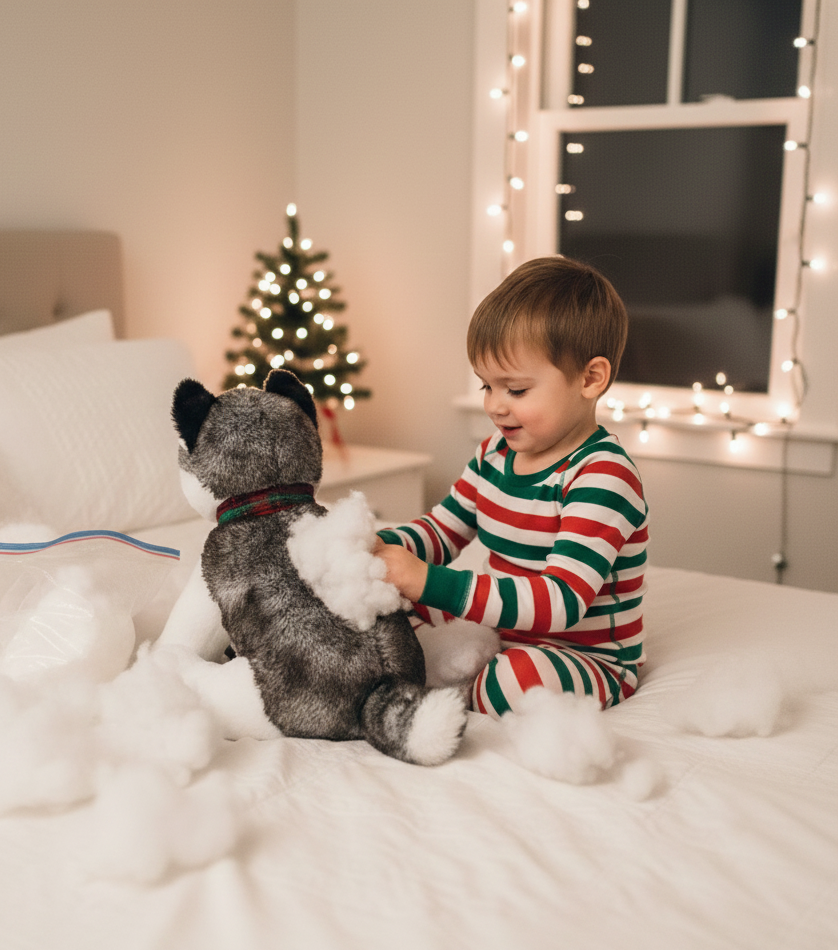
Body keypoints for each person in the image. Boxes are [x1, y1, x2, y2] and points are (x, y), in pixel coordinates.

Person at [374, 255, 649, 718]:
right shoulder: (493, 455)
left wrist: (427, 581)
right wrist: (378, 547)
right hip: (500, 629)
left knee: (510, 682)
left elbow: (561, 602)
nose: (496, 406)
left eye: (516, 390)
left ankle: (445, 690)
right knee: (385, 615)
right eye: (486, 386)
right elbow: (441, 533)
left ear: (590, 378)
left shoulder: (603, 475)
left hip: (588, 656)